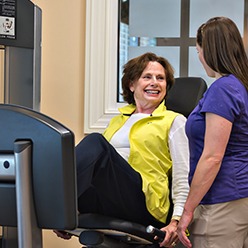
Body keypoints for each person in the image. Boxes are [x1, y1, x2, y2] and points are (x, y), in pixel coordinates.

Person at [54, 52, 189, 247]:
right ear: (132, 84)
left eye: (161, 78)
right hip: (110, 199)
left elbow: (182, 176)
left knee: (95, 142)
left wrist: (176, 221)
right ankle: (61, 206)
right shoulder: (118, 121)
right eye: (147, 77)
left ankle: (52, 203)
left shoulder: (174, 121)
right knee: (72, 149)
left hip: (144, 201)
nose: (155, 82)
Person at [177, 17, 248, 248]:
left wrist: (187, 210)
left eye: (198, 50)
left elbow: (212, 157)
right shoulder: (240, 86)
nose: (199, 57)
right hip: (237, 197)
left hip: (222, 200)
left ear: (208, 51)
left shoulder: (223, 88)